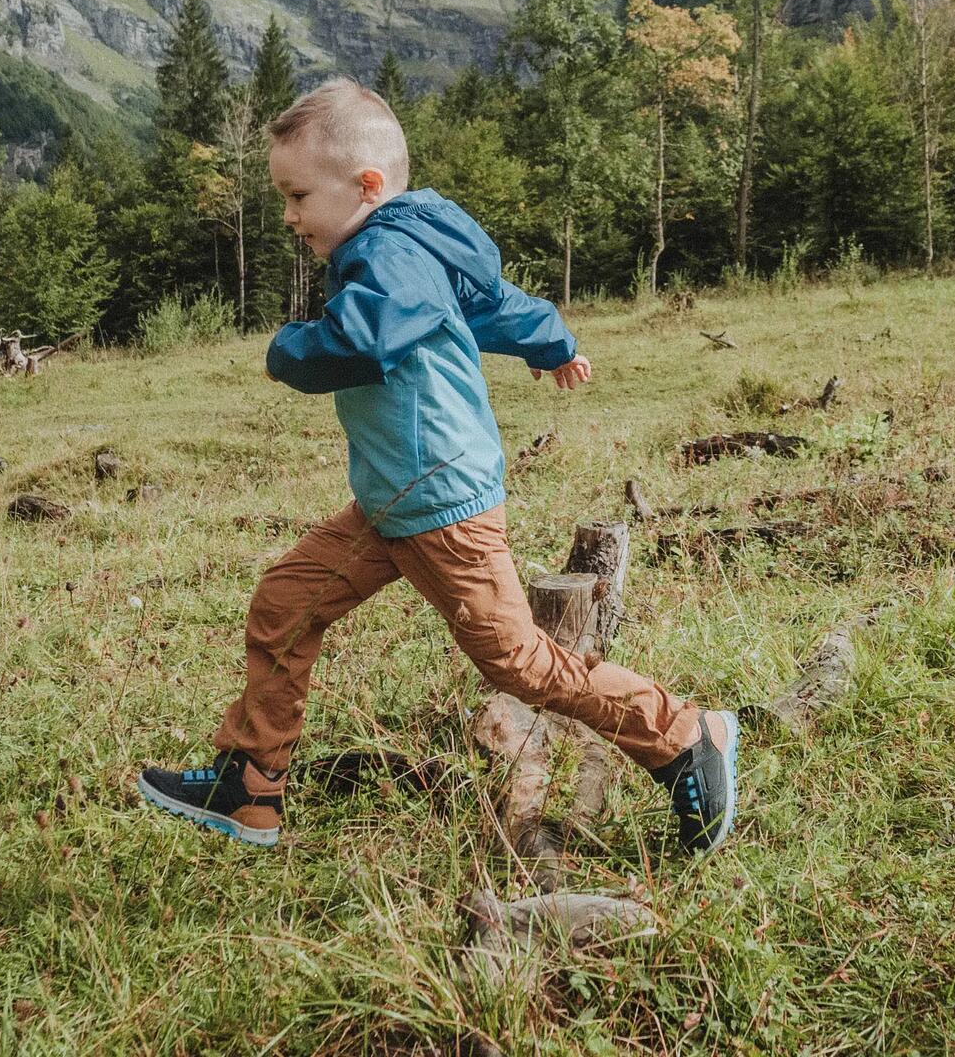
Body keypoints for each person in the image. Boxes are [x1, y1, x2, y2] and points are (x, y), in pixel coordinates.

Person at [136, 79, 738, 854]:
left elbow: (360, 342)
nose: (288, 216)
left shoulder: (388, 255)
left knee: (517, 660)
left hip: (441, 505)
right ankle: (249, 786)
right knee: (285, 604)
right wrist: (552, 340)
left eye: (298, 196)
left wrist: (286, 348)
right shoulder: (414, 246)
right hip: (393, 504)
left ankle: (684, 735)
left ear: (367, 186)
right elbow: (490, 304)